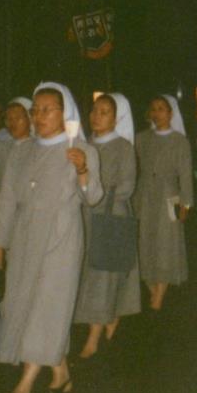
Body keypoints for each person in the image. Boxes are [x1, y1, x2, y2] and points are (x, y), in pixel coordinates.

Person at [0, 82, 103, 393]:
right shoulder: (21, 151)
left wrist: (82, 169)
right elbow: (7, 198)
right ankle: (60, 370)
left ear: (64, 113)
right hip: (24, 238)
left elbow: (93, 197)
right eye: (34, 110)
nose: (38, 117)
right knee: (23, 302)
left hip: (60, 238)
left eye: (47, 110)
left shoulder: (81, 149)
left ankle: (25, 383)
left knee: (47, 305)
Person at [73, 93, 141, 359]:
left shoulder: (123, 148)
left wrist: (96, 191)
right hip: (86, 218)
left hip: (112, 215)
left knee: (104, 276)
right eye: (94, 111)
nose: (96, 116)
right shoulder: (84, 146)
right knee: (91, 275)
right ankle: (107, 320)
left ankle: (93, 336)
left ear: (116, 118)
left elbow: (126, 186)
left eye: (104, 112)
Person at [135, 95, 193, 312]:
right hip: (145, 197)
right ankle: (153, 288)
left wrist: (186, 204)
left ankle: (160, 293)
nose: (157, 113)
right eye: (154, 109)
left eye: (162, 109)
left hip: (169, 197)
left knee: (166, 244)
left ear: (171, 113)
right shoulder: (141, 139)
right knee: (146, 243)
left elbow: (185, 175)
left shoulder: (180, 141)